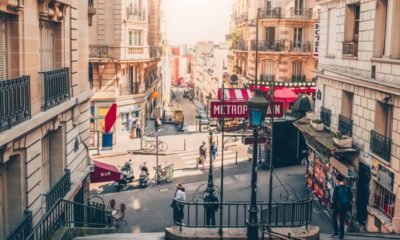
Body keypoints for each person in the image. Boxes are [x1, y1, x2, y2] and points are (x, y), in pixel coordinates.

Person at [331, 174, 352, 240]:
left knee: (334, 216)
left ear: (337, 180)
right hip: (345, 206)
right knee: (342, 220)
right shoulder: (347, 188)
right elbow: (351, 197)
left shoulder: (337, 188)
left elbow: (334, 198)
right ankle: (341, 236)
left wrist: (333, 204)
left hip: (338, 206)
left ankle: (336, 231)